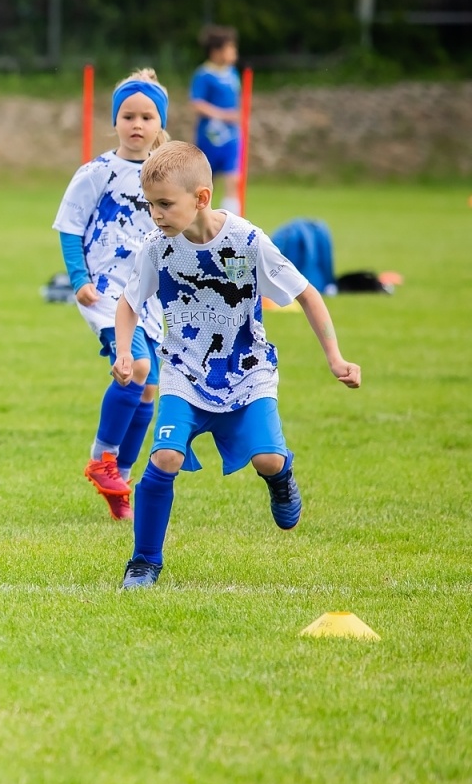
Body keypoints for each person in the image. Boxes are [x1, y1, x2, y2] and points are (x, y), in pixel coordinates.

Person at [112, 141, 361, 589]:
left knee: (266, 459)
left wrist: (335, 357)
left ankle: (281, 476)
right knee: (165, 456)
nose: (156, 215)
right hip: (183, 375)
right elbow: (129, 303)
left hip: (247, 374)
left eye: (165, 205)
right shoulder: (157, 248)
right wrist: (126, 351)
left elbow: (306, 293)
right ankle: (144, 562)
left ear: (202, 198)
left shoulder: (247, 241)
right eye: (151, 206)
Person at [51, 70, 171, 520]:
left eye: (146, 116)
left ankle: (118, 475)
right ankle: (102, 459)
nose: (137, 124)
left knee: (149, 390)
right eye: (127, 116)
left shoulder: (167, 174)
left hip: (150, 296)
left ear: (160, 124)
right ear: (114, 121)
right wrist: (79, 278)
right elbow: (69, 227)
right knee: (135, 365)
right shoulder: (97, 172)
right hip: (105, 291)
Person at [190, 25, 243, 214]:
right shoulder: (204, 75)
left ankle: (233, 225)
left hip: (232, 136)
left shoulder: (232, 74)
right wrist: (222, 115)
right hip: (210, 137)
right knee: (205, 182)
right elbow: (197, 103)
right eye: (230, 48)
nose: (234, 52)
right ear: (216, 51)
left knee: (233, 180)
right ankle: (202, 220)